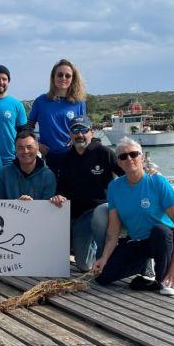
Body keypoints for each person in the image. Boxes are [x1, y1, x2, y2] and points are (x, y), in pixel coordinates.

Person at [92, 136, 174, 296]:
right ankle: (145, 269)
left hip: (162, 240)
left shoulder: (158, 181)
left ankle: (162, 280)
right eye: (123, 156)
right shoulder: (115, 187)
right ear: (119, 162)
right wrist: (104, 258)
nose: (129, 159)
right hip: (137, 241)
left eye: (133, 154)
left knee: (160, 231)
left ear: (141, 157)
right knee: (103, 278)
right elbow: (113, 231)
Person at [49, 115, 123, 271]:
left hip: (100, 210)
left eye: (83, 130)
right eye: (75, 130)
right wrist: (58, 195)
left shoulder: (105, 153)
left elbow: (126, 174)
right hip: (77, 215)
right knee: (83, 265)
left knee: (99, 215)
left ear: (91, 132)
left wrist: (146, 173)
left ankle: (109, 257)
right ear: (70, 133)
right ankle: (97, 251)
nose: (79, 134)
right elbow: (61, 188)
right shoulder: (66, 158)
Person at [27, 59, 87, 170]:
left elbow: (83, 129)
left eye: (67, 76)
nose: (63, 78)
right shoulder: (41, 101)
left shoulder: (79, 103)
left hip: (73, 155)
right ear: (53, 77)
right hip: (48, 156)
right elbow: (28, 127)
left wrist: (75, 140)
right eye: (60, 75)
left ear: (73, 79)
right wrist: (37, 144)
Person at [0, 130, 57, 200]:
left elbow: (47, 208)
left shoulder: (48, 175)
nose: (25, 151)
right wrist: (16, 205)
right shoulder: (4, 174)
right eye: (20, 148)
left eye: (29, 147)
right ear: (15, 150)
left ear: (37, 148)